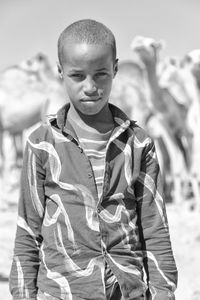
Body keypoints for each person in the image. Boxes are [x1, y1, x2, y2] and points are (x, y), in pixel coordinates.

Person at [9, 19, 178, 300]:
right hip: (61, 292)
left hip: (127, 291)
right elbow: (28, 230)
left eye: (100, 74)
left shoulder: (139, 143)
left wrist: (164, 291)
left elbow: (155, 226)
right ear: (60, 72)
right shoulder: (41, 144)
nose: (90, 87)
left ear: (115, 69)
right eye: (77, 76)